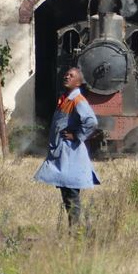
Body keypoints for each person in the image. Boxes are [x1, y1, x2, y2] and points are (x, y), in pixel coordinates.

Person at [34, 67, 101, 228]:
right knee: (66, 191)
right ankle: (73, 229)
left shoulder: (78, 100)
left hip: (71, 153)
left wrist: (77, 135)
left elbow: (92, 121)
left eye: (71, 76)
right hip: (64, 152)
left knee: (71, 191)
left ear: (78, 82)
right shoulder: (66, 98)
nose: (66, 77)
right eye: (66, 75)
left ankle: (75, 230)